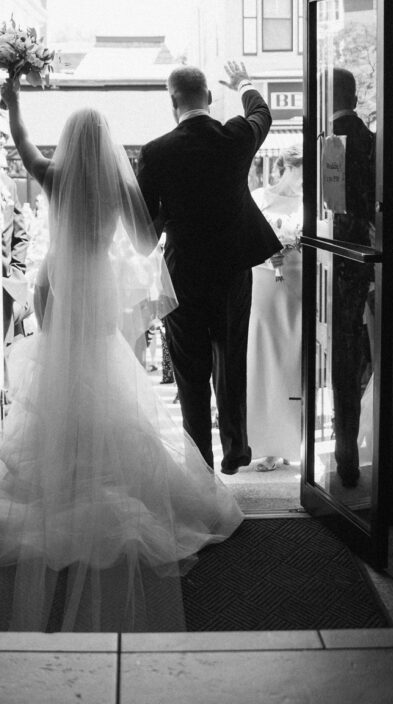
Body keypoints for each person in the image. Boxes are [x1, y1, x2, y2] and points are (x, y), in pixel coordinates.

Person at [0, 75, 242, 632]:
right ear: (105, 145)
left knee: (63, 380)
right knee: (103, 378)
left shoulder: (54, 177)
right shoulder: (116, 188)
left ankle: (66, 476)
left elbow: (24, 144)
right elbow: (145, 242)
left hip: (57, 288)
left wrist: (12, 104)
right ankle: (103, 479)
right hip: (99, 291)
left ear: (70, 141)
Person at [137, 62, 282, 475]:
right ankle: (235, 447)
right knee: (230, 355)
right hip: (233, 267)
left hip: (181, 273)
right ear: (210, 97)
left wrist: (166, 216)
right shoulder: (234, 136)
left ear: (172, 102)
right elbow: (262, 114)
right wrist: (244, 83)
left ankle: (199, 464)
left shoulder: (155, 152)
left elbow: (145, 236)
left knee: (189, 370)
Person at [326, 68, 376, 488]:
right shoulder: (375, 140)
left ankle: (346, 457)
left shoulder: (331, 142)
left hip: (343, 262)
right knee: (369, 352)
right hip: (375, 256)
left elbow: (332, 209)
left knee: (343, 357)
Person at [246, 145, 304, 471]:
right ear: (285, 168)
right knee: (265, 358)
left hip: (296, 282)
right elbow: (245, 237)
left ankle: (290, 442)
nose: (302, 182)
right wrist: (266, 252)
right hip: (265, 284)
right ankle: (267, 444)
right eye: (299, 174)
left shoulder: (308, 202)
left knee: (292, 360)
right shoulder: (259, 197)